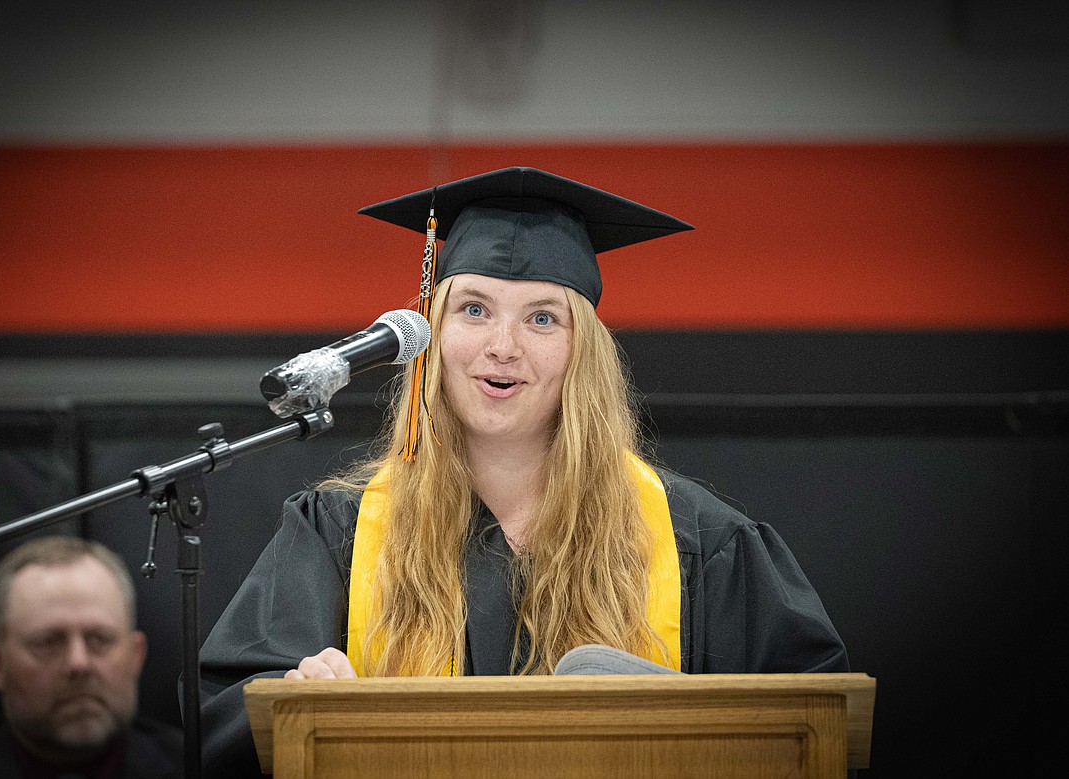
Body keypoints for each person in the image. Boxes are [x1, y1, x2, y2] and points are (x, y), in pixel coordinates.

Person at [197, 167, 850, 775]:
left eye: (541, 317)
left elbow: (812, 727)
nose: (502, 345)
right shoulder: (338, 533)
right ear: (432, 335)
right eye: (474, 308)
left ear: (581, 352)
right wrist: (296, 700)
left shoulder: (696, 542)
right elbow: (223, 721)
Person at [0, 535, 182, 779]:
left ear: (136, 656)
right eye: (48, 642)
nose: (78, 663)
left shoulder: (203, 767)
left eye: (99, 639)